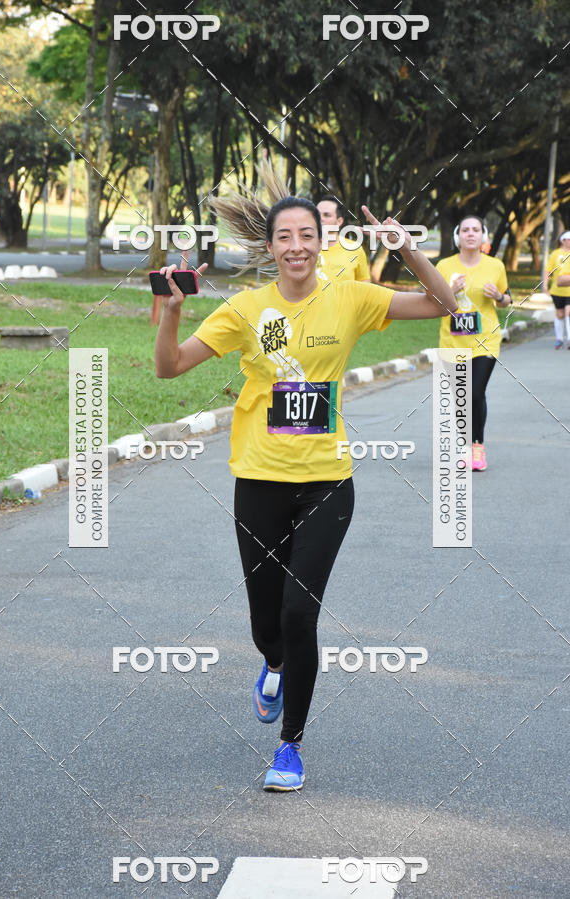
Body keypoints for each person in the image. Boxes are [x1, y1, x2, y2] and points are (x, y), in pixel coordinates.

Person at [154, 168, 456, 792]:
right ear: (270, 247)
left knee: (300, 614)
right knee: (267, 627)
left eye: (307, 235)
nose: (296, 246)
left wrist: (404, 248)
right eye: (284, 236)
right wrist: (169, 315)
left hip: (327, 482)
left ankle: (289, 746)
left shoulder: (350, 297)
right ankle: (271, 665)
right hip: (258, 480)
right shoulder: (245, 310)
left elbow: (443, 305)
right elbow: (169, 367)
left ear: (324, 240)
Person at [436, 215, 512, 472]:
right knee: (461, 397)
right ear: (458, 236)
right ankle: (464, 445)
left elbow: (506, 300)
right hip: (453, 341)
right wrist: (449, 289)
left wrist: (499, 296)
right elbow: (433, 302)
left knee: (475, 393)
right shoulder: (444, 266)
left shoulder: (495, 266)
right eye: (465, 230)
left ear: (483, 236)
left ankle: (476, 447)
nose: (470, 234)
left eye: (475, 230)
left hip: (485, 341)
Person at [316, 194, 369, 283]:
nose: (320, 219)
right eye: (317, 214)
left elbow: (365, 285)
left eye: (326, 215)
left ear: (339, 221)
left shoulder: (354, 249)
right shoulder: (303, 248)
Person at [544, 231, 570, 348]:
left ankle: (569, 339)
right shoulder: (555, 254)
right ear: (563, 240)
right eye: (568, 239)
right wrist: (545, 285)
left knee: (568, 312)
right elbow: (548, 270)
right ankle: (559, 338)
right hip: (557, 289)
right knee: (560, 314)